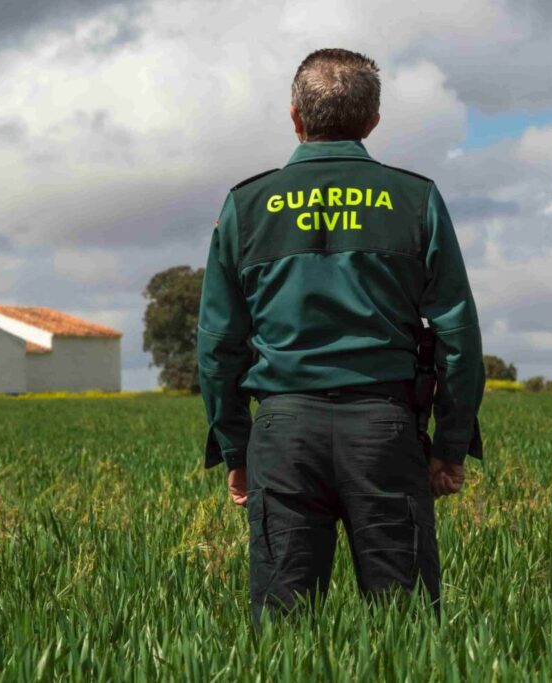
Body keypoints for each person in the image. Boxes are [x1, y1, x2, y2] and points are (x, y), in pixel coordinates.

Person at [197, 48, 484, 625]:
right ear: (373, 120)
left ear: (295, 117)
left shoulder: (247, 205)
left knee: (282, 634)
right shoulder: (415, 198)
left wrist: (237, 448)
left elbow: (218, 343)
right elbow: (456, 332)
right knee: (407, 633)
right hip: (385, 432)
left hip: (282, 435)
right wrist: (450, 447)